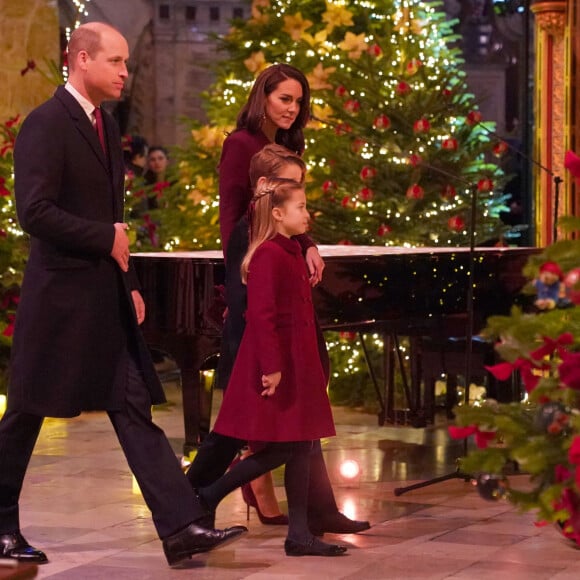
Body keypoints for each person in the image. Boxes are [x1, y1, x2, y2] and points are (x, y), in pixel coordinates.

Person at [0, 22, 246, 568]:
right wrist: (105, 241)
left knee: (133, 406)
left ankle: (181, 526)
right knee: (25, 415)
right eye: (116, 62)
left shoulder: (107, 127)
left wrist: (129, 281)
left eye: (127, 63)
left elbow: (115, 220)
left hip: (105, 297)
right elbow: (33, 212)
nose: (125, 73)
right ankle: (0, 526)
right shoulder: (45, 124)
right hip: (60, 300)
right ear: (81, 59)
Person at [187, 144, 370, 536]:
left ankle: (305, 526)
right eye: (295, 190)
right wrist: (270, 362)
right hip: (260, 350)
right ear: (270, 190)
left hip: (284, 353)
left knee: (299, 439)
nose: (304, 203)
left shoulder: (286, 239)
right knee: (239, 436)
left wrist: (308, 245)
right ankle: (195, 496)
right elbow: (255, 308)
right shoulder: (256, 239)